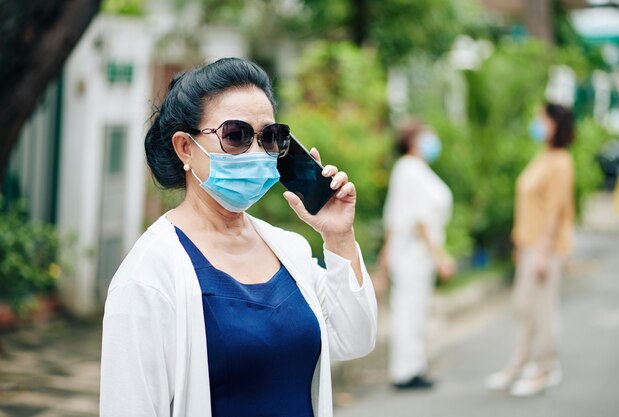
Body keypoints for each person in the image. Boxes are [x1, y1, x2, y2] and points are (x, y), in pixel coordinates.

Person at [99, 57, 377, 417]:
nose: (258, 153)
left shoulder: (289, 250)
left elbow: (354, 337)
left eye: (270, 137)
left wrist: (339, 237)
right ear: (185, 147)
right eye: (236, 135)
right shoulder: (148, 276)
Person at [484, 102, 575, 397]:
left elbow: (554, 210)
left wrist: (544, 252)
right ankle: (521, 362)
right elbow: (529, 205)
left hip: (545, 247)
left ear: (555, 125)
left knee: (542, 309)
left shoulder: (561, 161)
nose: (536, 123)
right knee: (524, 307)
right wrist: (520, 243)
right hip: (529, 244)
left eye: (541, 119)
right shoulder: (543, 157)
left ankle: (545, 368)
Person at [378, 120, 456, 390]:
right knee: (408, 310)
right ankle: (404, 371)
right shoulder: (409, 169)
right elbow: (418, 220)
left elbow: (394, 215)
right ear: (413, 141)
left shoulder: (416, 170)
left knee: (415, 309)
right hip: (412, 252)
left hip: (415, 253)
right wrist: (441, 256)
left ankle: (414, 366)